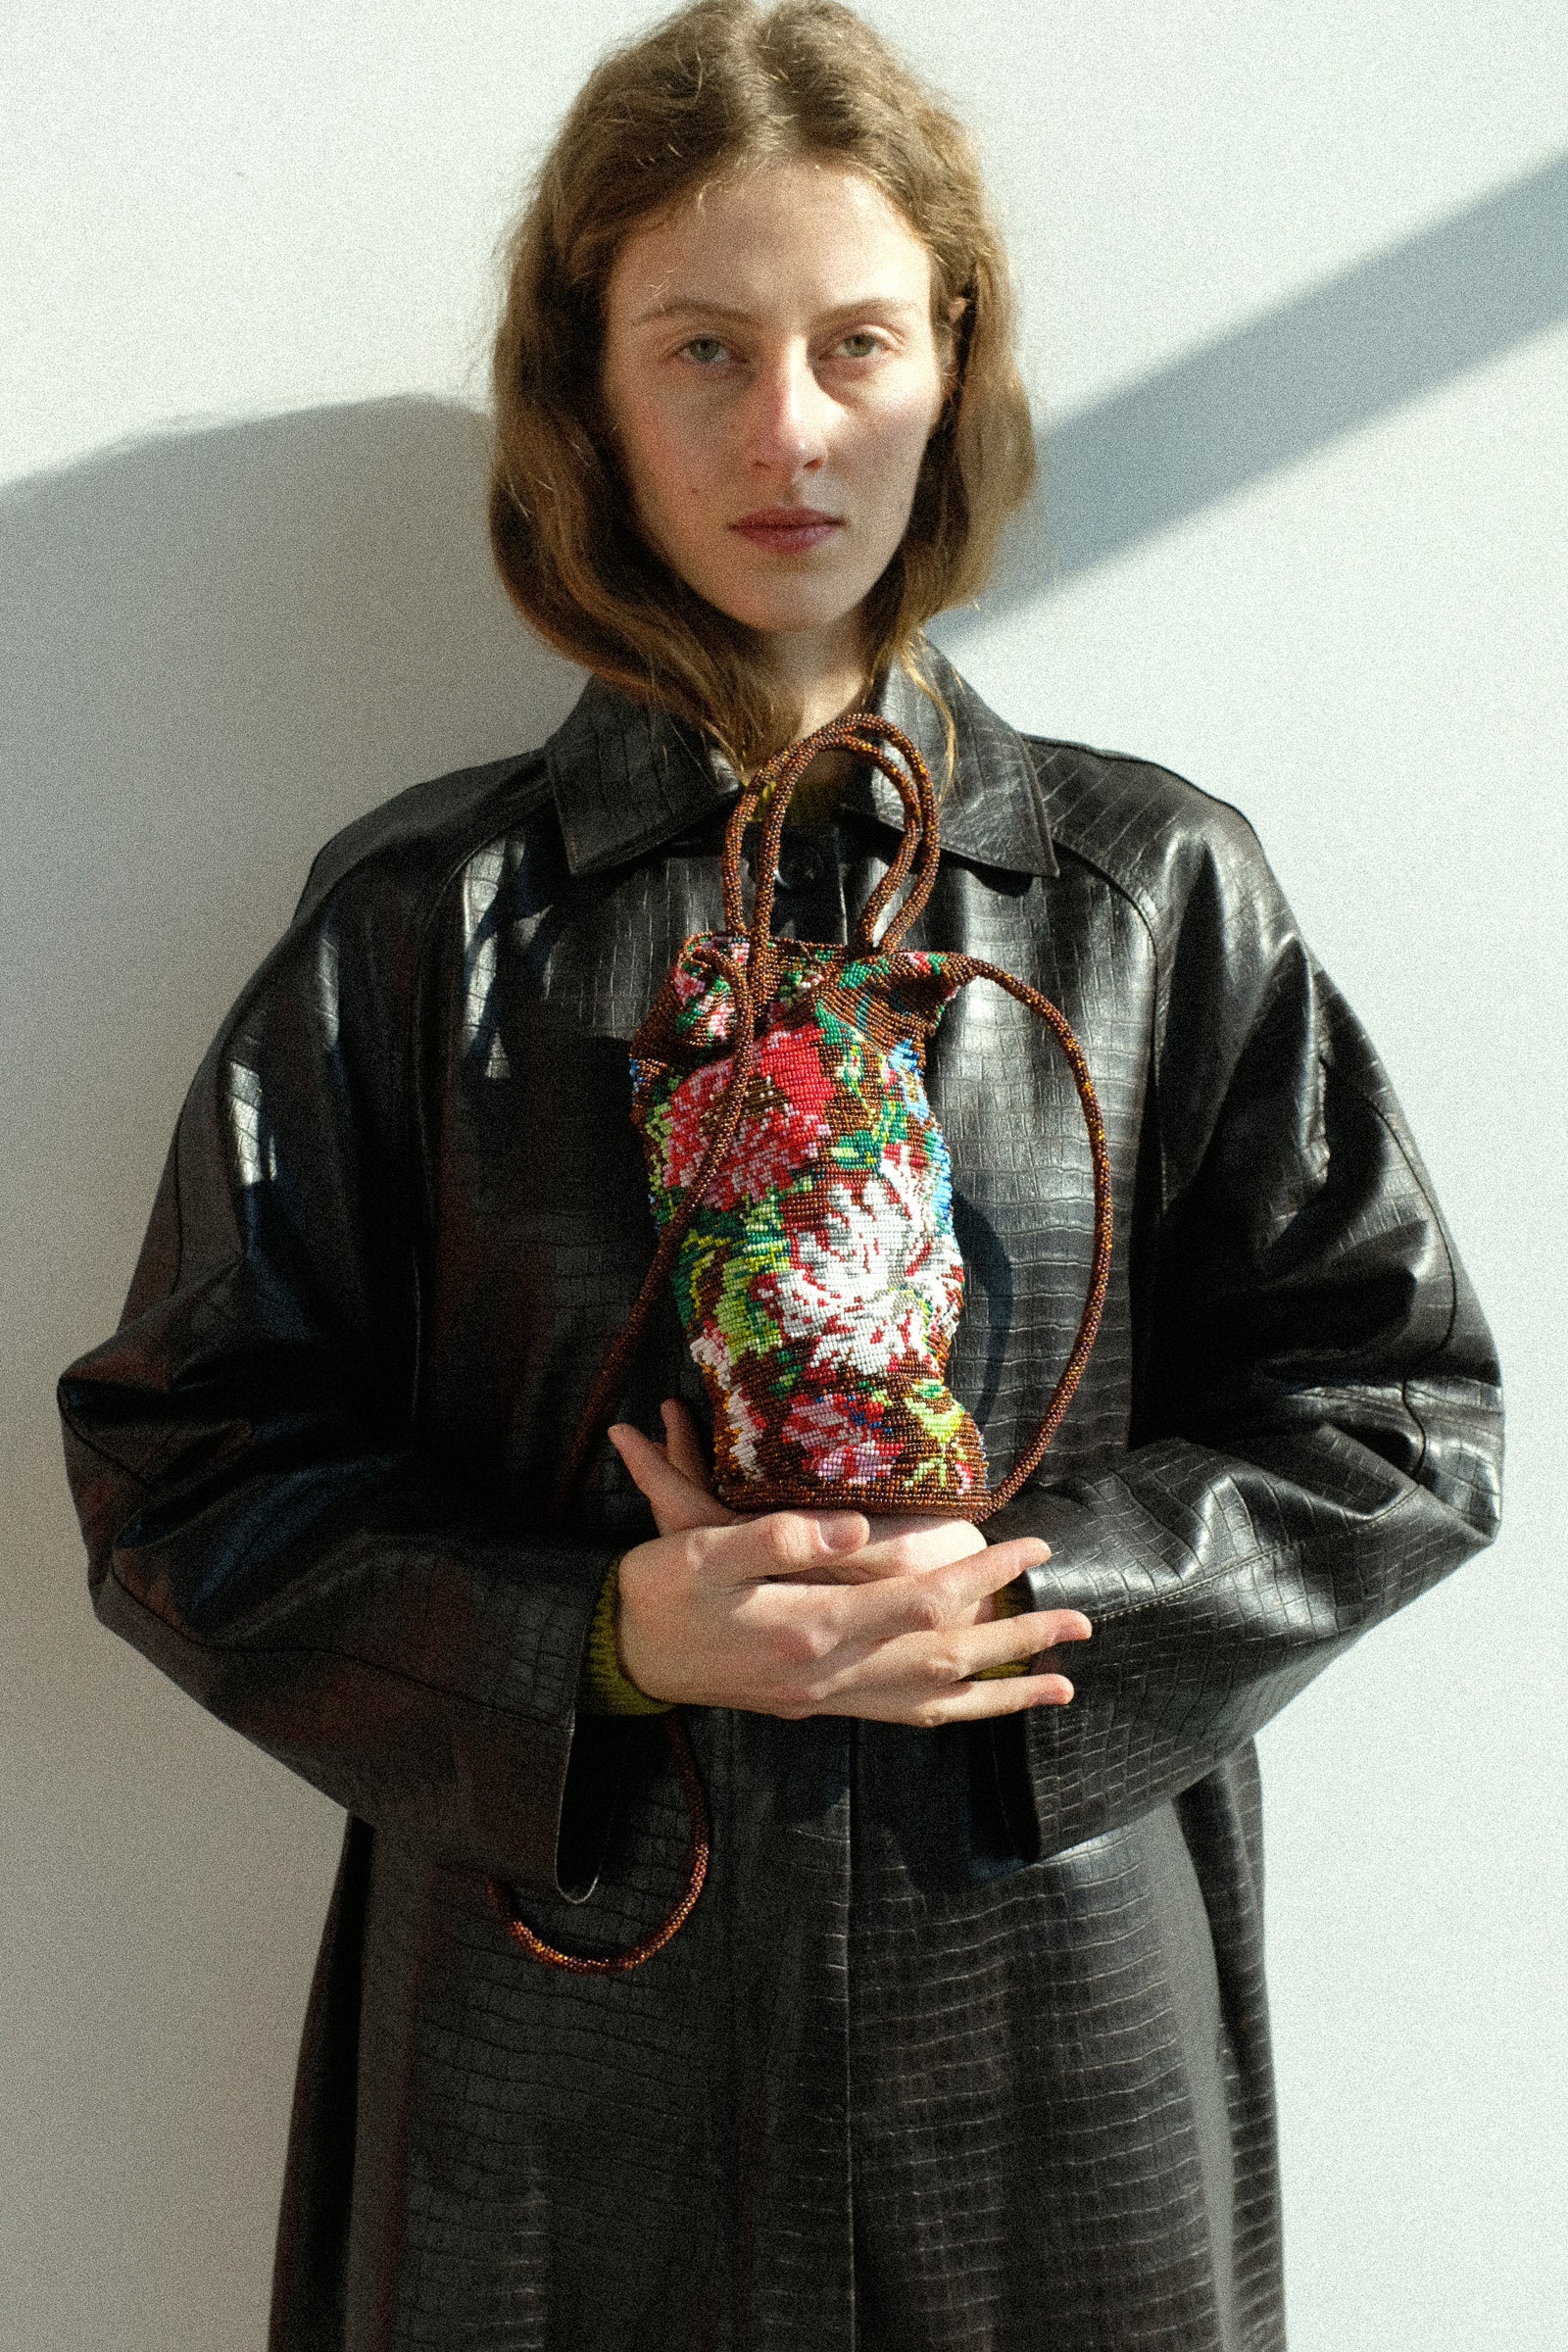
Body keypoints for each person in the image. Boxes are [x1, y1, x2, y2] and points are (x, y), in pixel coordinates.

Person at [57, 3, 1502, 2347]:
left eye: (853, 343)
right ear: (586, 390)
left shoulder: (1146, 901)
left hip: (1039, 2039)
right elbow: (181, 1461)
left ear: (952, 364)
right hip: (557, 2048)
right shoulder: (427, 931)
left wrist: (1037, 1599)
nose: (787, 431)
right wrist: (597, 1641)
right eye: (700, 350)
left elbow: (1401, 1414)